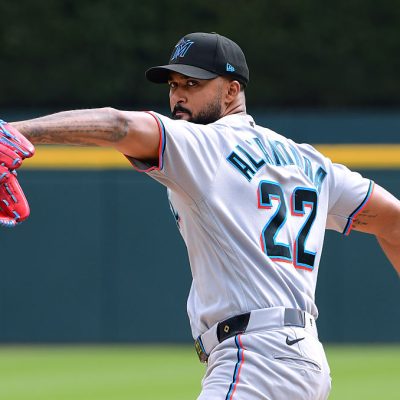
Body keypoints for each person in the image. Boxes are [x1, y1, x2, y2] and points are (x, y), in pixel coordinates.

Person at [10, 32, 400, 399]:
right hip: (306, 362)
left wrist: (15, 131)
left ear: (232, 90)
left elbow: (118, 124)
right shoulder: (311, 163)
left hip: (255, 360)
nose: (178, 96)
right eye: (173, 85)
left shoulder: (205, 142)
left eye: (193, 84)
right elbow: (394, 222)